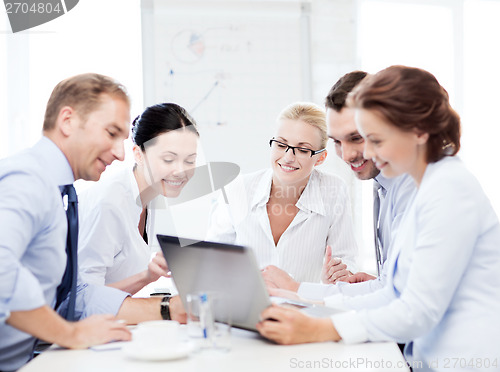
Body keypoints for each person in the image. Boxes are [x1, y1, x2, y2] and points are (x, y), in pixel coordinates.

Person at [257, 65, 500, 370]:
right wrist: (307, 300)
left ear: (419, 132)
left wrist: (319, 327)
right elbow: (394, 290)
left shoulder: (449, 189)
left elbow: (416, 310)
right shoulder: (425, 185)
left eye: (375, 139)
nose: (361, 153)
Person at [0, 74, 185, 372]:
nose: (120, 153)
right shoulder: (28, 181)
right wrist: (70, 334)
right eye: (111, 133)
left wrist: (165, 309)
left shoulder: (61, 192)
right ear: (68, 120)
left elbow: (73, 294)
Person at [263, 71, 415, 300]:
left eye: (357, 138)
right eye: (337, 141)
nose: (346, 155)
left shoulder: (416, 188)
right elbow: (400, 287)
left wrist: (296, 291)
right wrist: (379, 286)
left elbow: (411, 301)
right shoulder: (382, 185)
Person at [207, 102, 358, 283]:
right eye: (280, 144)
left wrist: (336, 275)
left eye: (302, 149)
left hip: (306, 307)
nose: (288, 157)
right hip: (246, 308)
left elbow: (346, 261)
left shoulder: (333, 190)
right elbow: (211, 259)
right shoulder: (238, 190)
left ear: (320, 158)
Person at [78, 103, 199, 295]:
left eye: (190, 160)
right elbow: (84, 297)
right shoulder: (110, 203)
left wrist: (150, 275)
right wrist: (146, 276)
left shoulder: (148, 194)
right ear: (138, 154)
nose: (181, 171)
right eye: (168, 159)